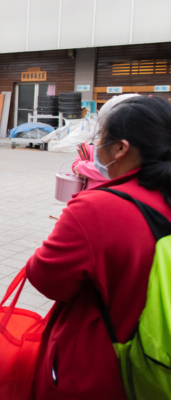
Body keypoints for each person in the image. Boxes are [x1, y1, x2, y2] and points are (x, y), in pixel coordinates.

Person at [25, 96, 171, 398]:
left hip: (107, 368)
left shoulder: (99, 208)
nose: (96, 147)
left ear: (121, 148)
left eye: (100, 138)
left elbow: (46, 278)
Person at [72, 94, 140, 189]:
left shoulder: (130, 150)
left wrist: (83, 167)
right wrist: (80, 167)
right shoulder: (92, 145)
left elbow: (112, 171)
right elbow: (76, 164)